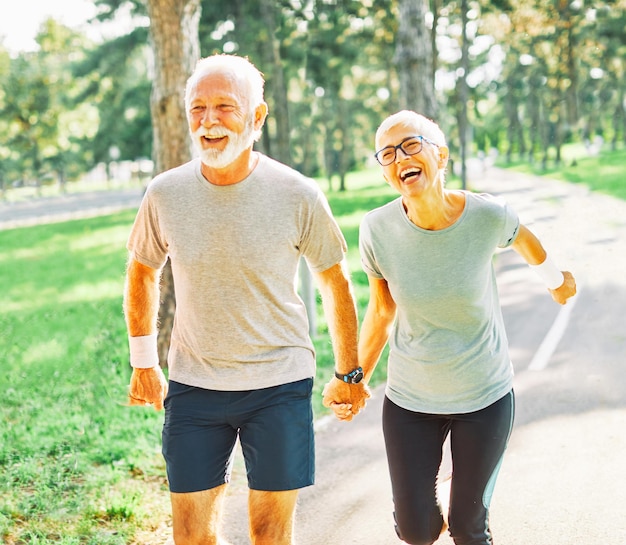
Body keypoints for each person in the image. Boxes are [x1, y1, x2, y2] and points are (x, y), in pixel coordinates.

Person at [123, 54, 368, 545]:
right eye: (198, 108)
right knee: (191, 535)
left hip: (280, 382)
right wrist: (143, 362)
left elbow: (335, 280)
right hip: (194, 383)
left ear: (257, 118)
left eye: (225, 107)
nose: (209, 121)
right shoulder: (165, 193)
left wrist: (349, 374)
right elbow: (142, 270)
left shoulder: (297, 193)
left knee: (268, 533)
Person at [322, 110, 576, 545]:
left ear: (441, 155)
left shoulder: (487, 215)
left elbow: (526, 239)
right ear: (386, 174)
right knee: (417, 531)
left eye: (410, 145)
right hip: (410, 400)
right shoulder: (376, 229)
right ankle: (427, 506)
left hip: (485, 397)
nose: (400, 157)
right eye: (387, 153)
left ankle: (466, 512)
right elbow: (382, 310)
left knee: (468, 530)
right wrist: (352, 379)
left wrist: (556, 281)